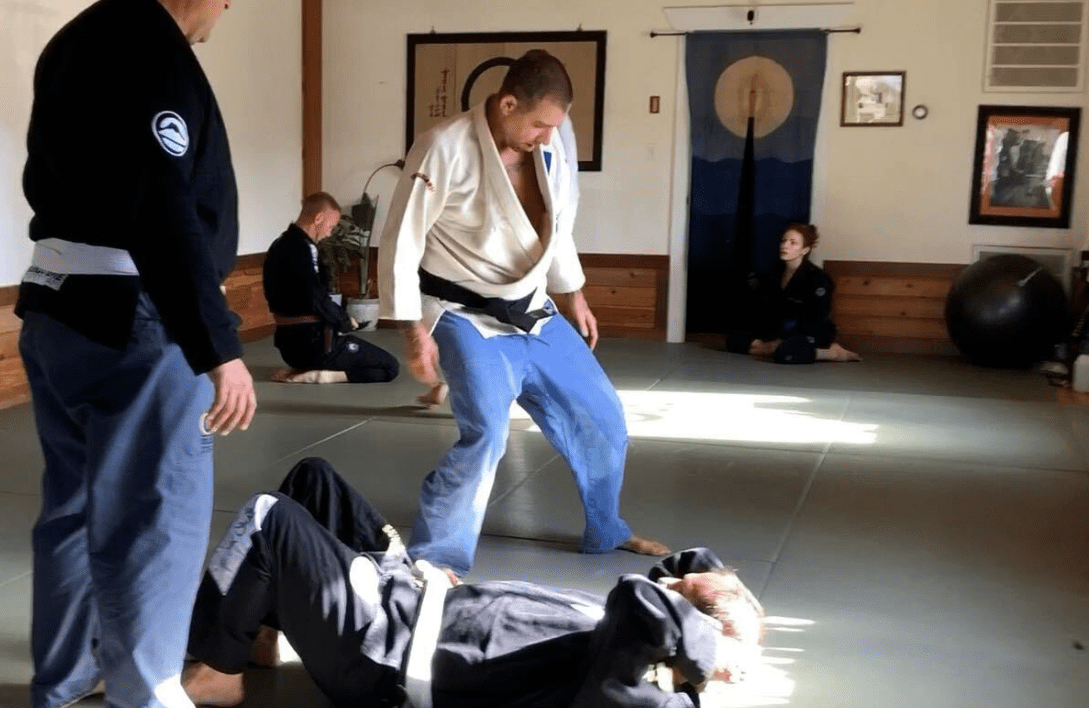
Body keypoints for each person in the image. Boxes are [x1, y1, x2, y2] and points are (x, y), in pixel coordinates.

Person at [13, 0, 254, 708]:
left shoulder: (75, 40)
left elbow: (49, 175)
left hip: (54, 307)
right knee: (155, 517)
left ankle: (63, 672)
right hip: (135, 322)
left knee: (74, 503)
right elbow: (165, 220)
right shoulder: (157, 63)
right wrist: (219, 346)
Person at [183, 458, 764, 708]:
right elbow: (680, 567)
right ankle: (259, 632)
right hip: (409, 600)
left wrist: (714, 642)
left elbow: (641, 595)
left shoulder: (633, 696)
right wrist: (720, 598)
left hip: (380, 652)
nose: (664, 583)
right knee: (316, 481)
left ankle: (216, 668)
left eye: (679, 597)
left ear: (687, 634)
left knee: (268, 516)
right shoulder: (647, 638)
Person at [377, 49, 668, 579]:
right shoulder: (443, 147)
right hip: (466, 315)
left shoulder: (552, 140)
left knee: (603, 415)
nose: (546, 137)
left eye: (553, 126)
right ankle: (436, 557)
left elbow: (556, 223)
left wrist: (573, 293)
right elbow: (400, 240)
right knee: (486, 433)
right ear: (507, 102)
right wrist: (411, 327)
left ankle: (607, 525)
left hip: (535, 308)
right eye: (537, 124)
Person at [263, 191, 399, 385]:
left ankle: (306, 368)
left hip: (290, 349)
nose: (330, 232)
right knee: (390, 367)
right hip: (317, 347)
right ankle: (325, 375)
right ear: (318, 218)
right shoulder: (304, 248)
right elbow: (315, 297)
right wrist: (343, 320)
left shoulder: (277, 245)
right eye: (331, 225)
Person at [725, 223, 860, 364]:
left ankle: (830, 353)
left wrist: (781, 340)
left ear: (805, 249)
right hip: (779, 329)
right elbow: (768, 308)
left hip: (808, 331)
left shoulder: (818, 278)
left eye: (793, 243)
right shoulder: (775, 273)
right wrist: (769, 338)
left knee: (786, 353)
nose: (785, 246)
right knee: (734, 340)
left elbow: (816, 319)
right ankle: (771, 348)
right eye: (783, 241)